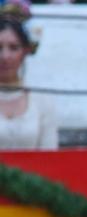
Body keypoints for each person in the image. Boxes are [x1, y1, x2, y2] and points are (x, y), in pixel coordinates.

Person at [0, 14, 56, 150]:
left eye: (13, 48)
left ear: (25, 52)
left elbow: (51, 157)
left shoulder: (43, 102)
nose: (5, 56)